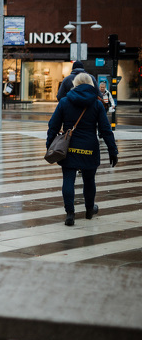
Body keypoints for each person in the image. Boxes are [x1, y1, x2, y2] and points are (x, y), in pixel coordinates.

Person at [46, 73, 118, 226]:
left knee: (68, 179)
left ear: (75, 84)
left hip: (69, 147)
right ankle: (89, 210)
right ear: (91, 85)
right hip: (89, 147)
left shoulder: (65, 101)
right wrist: (113, 150)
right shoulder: (97, 104)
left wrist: (49, 146)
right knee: (89, 180)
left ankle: (70, 214)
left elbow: (53, 125)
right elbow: (105, 129)